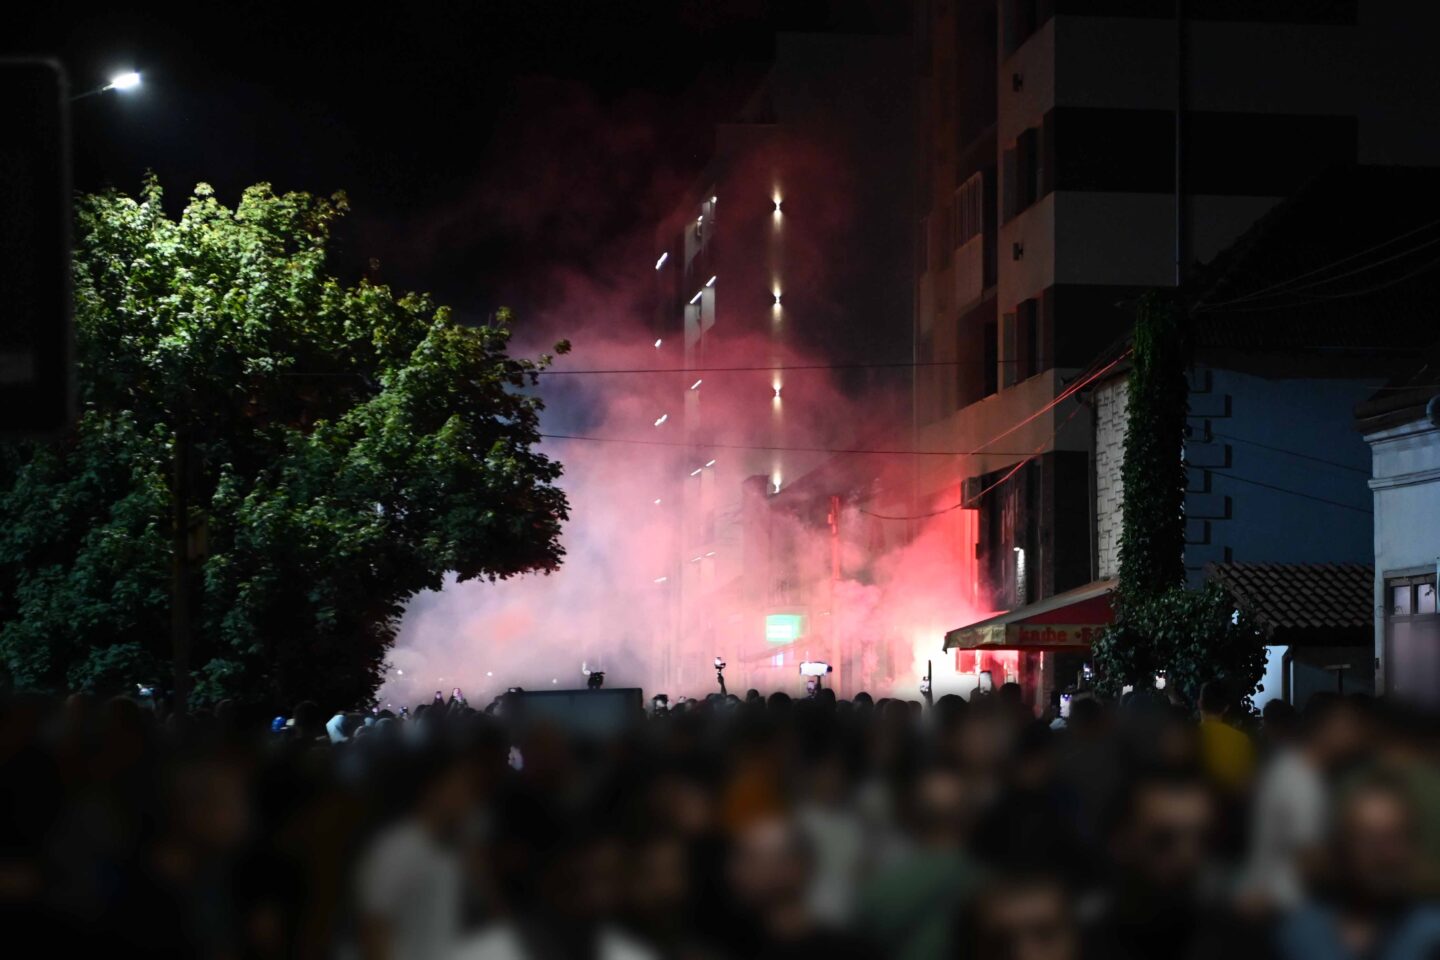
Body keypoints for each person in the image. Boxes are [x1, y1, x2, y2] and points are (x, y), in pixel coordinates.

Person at [1275, 775, 1440, 960]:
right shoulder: (1303, 934)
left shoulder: (1431, 937)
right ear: (1341, 847)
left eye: (1395, 839)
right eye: (1368, 840)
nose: (1383, 855)